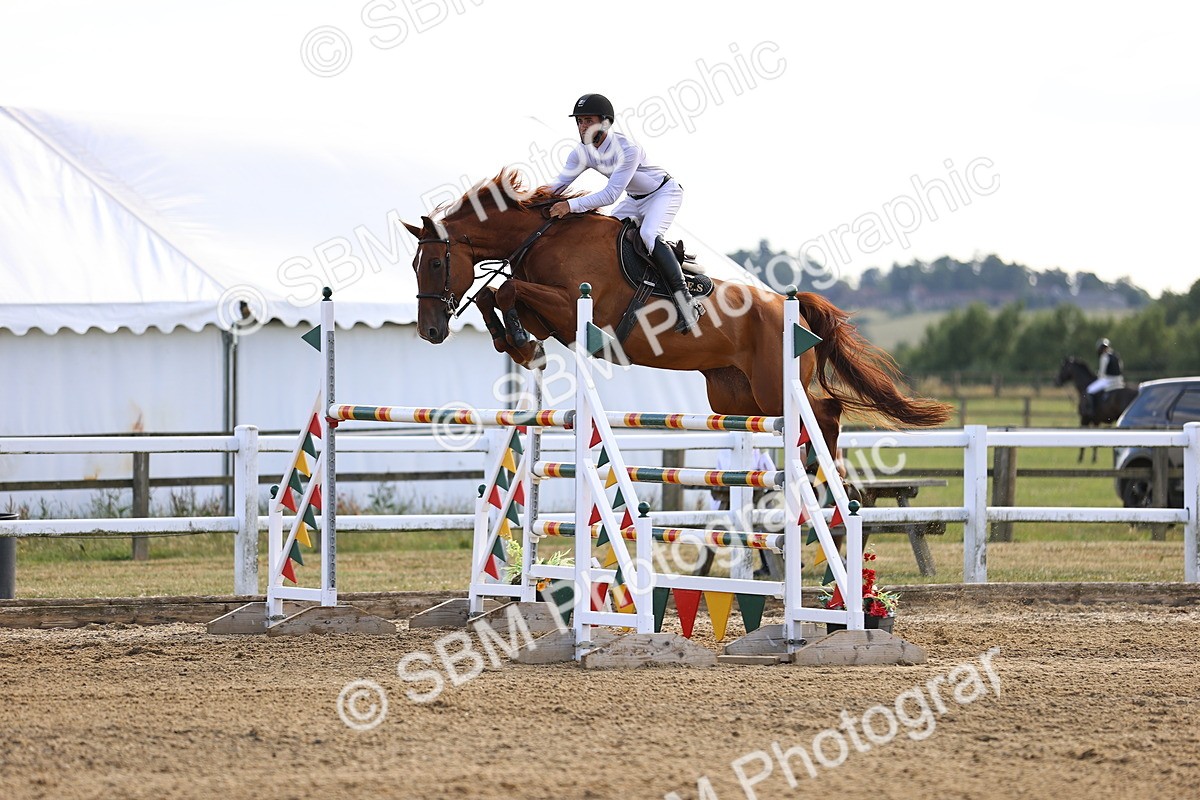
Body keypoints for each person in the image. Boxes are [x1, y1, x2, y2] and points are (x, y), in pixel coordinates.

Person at [542, 93, 701, 333]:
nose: (582, 126)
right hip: (634, 200)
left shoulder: (628, 148)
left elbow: (610, 195)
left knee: (648, 234)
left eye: (587, 120)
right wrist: (523, 199)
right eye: (579, 121)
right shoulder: (580, 152)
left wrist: (570, 206)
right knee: (605, 234)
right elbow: (556, 186)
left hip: (663, 193)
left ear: (604, 122)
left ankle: (687, 301)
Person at [1085, 338, 1124, 416]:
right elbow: (1121, 368)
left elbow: (1102, 373)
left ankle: (1092, 411)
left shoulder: (1104, 357)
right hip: (1119, 381)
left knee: (1089, 390)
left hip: (1108, 381)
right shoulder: (1116, 355)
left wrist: (1097, 376)